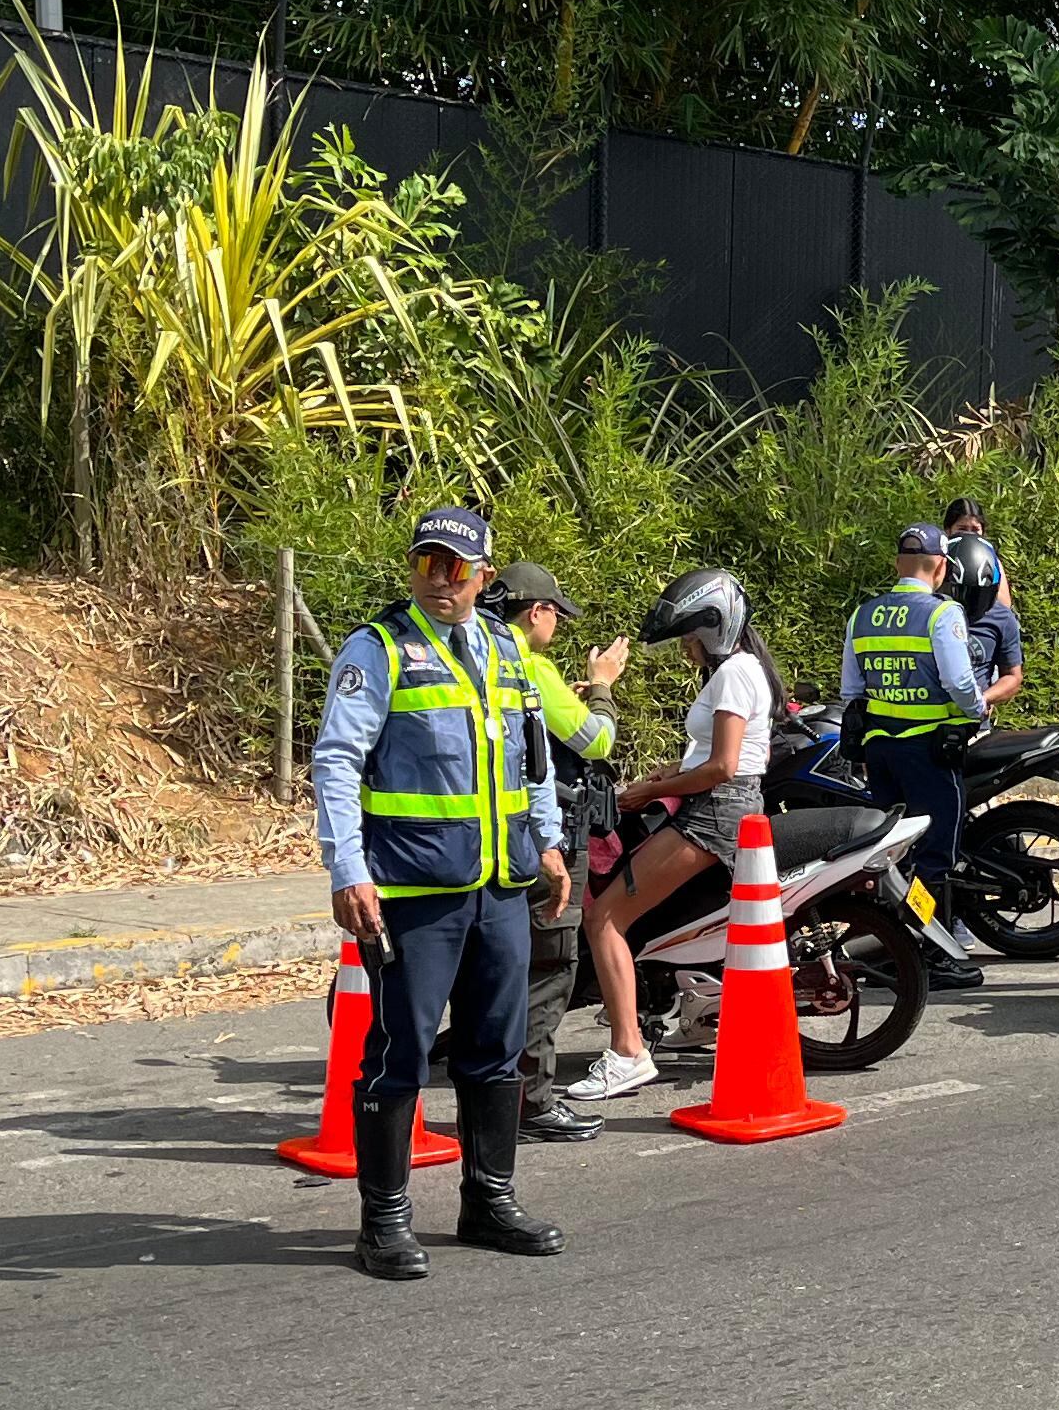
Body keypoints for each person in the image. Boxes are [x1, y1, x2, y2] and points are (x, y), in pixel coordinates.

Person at [304, 506, 568, 1279]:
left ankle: (489, 1200)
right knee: (400, 1054)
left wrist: (549, 843)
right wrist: (348, 869)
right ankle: (384, 1221)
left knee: (497, 1051)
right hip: (415, 889)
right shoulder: (379, 647)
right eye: (425, 562)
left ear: (483, 576)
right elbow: (336, 761)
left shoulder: (505, 649)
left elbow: (532, 758)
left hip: (500, 886)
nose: (436, 579)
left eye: (452, 567)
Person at [574, 567, 775, 1102]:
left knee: (604, 918)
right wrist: (669, 772)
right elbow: (721, 757)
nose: (686, 648)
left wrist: (649, 791)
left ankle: (627, 1053)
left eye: (689, 638)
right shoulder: (742, 669)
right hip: (718, 804)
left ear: (711, 629)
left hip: (714, 811)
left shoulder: (732, 674)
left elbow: (724, 767)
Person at [477, 561, 628, 1143]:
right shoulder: (531, 668)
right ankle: (530, 1104)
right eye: (556, 615)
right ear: (536, 612)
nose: (557, 625)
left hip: (488, 838)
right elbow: (597, 740)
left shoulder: (471, 658)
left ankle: (487, 1098)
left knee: (496, 968)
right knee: (548, 968)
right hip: (547, 838)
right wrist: (604, 685)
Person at [844, 524, 989, 987]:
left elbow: (851, 689)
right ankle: (935, 955)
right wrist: (978, 708)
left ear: (896, 564)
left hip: (879, 752)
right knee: (934, 855)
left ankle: (889, 951)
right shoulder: (942, 613)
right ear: (942, 567)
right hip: (929, 751)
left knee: (889, 851)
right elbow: (959, 683)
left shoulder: (863, 615)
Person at [940, 499, 1027, 711]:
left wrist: (985, 698)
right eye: (962, 529)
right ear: (948, 530)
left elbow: (1002, 612)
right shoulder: (938, 561)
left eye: (975, 530)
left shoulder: (991, 562)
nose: (969, 535)